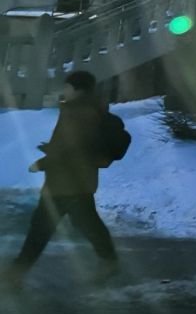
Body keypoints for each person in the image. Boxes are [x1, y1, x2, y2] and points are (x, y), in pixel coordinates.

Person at [4, 71, 121, 289]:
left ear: (76, 89)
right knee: (85, 222)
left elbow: (70, 147)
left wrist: (42, 162)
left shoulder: (78, 111)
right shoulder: (88, 109)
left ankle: (16, 273)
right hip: (78, 179)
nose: (64, 90)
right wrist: (50, 149)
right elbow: (75, 145)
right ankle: (109, 260)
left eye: (67, 86)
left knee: (41, 227)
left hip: (66, 181)